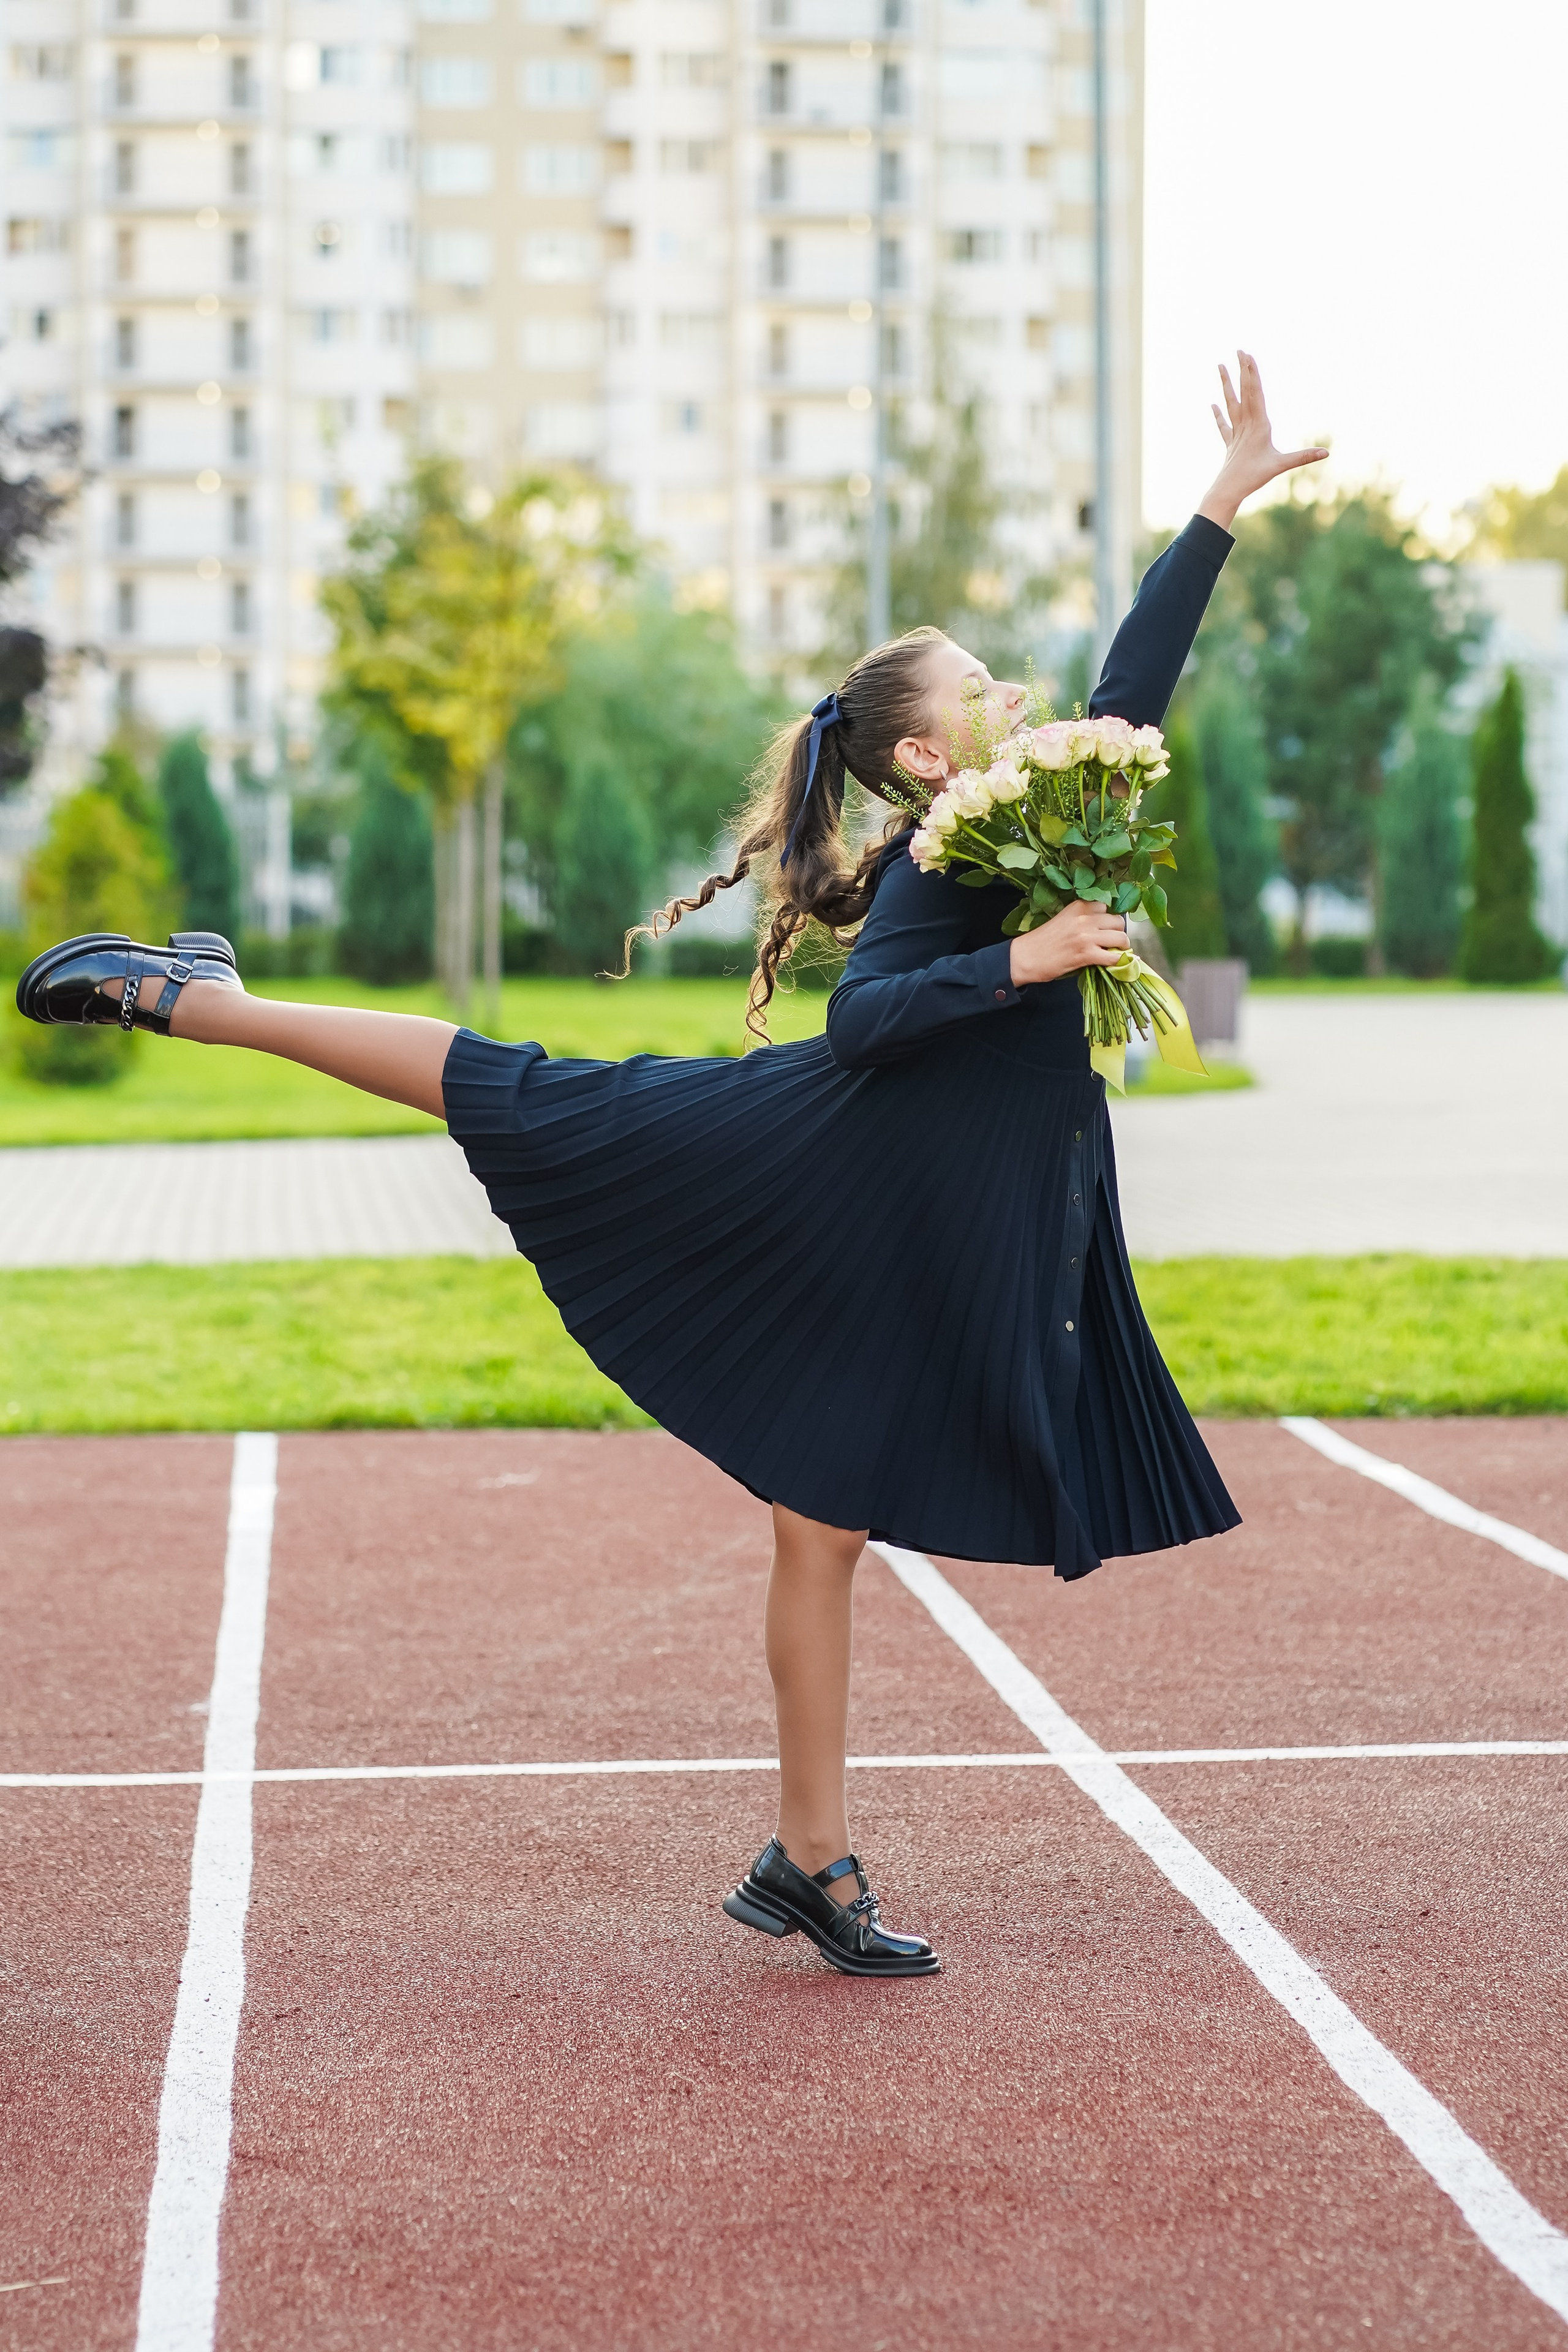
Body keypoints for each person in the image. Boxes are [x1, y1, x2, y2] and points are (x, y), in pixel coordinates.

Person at [18, 355, 1325, 1980]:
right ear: (925, 762)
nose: (1015, 700)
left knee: (819, 1528)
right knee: (510, 1088)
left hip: (886, 1222)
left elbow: (1138, 686)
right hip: (811, 1176)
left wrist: (1221, 500)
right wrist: (1033, 962)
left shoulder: (1024, 812)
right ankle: (196, 1000)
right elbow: (866, 1024)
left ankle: (807, 1855)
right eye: (982, 691)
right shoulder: (955, 854)